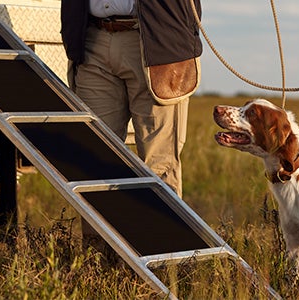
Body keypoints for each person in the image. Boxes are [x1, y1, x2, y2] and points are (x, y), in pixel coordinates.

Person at [60, 0, 202, 252]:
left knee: (159, 164)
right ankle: (97, 267)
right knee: (94, 162)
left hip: (158, 42)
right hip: (92, 38)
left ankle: (160, 262)